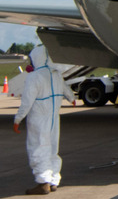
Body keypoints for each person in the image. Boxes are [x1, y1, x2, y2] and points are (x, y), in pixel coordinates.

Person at [13, 46, 75, 195]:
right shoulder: (56, 74)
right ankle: (53, 179)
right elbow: (67, 90)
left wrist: (18, 119)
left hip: (39, 118)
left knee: (38, 148)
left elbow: (27, 102)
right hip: (54, 117)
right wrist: (72, 99)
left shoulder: (34, 76)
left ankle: (42, 183)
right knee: (53, 148)